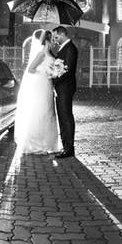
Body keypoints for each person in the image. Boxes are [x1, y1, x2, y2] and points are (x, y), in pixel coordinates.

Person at [14, 29, 63, 155]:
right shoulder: (41, 54)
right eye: (52, 40)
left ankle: (48, 143)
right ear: (47, 40)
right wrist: (45, 72)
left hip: (48, 85)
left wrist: (55, 72)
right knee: (40, 112)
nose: (54, 42)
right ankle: (36, 144)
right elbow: (30, 69)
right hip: (41, 84)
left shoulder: (52, 54)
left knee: (48, 112)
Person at [51, 26, 78, 158]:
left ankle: (69, 148)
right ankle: (65, 146)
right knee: (62, 116)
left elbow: (68, 69)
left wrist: (54, 78)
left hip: (66, 88)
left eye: (56, 37)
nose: (55, 40)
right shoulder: (63, 48)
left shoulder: (70, 48)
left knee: (66, 117)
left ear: (62, 34)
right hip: (61, 88)